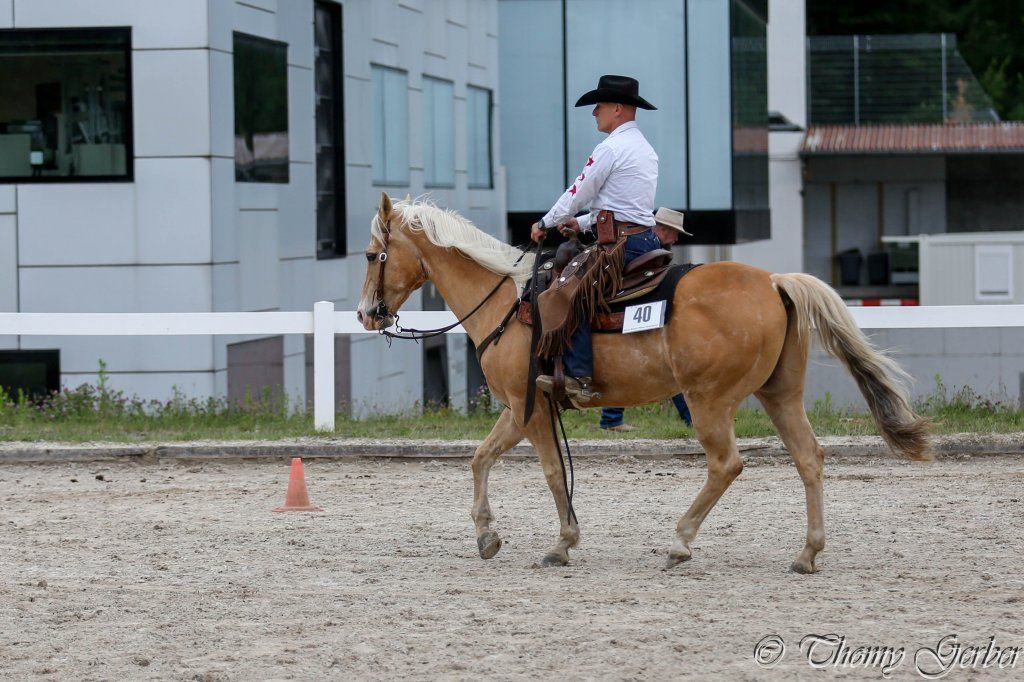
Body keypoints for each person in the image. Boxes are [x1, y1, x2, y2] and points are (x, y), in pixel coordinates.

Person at [530, 75, 661, 405]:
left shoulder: (611, 148)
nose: (594, 113)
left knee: (567, 293)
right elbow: (623, 207)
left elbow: (578, 191)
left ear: (617, 109)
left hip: (619, 246)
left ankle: (579, 377)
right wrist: (583, 221)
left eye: (598, 106)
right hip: (640, 237)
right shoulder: (645, 149)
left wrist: (547, 221)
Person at [600, 209, 693, 431]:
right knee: (671, 365)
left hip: (636, 309)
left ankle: (612, 419)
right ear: (662, 229)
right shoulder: (648, 250)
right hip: (638, 310)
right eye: (675, 232)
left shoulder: (647, 248)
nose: (677, 239)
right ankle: (691, 419)